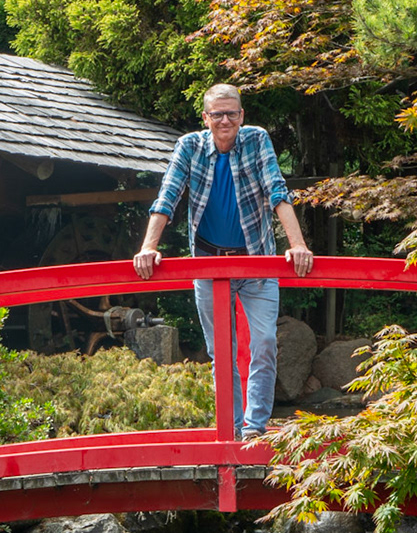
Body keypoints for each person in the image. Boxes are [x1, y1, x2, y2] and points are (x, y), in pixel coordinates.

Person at [133, 83, 313, 440]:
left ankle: (254, 428)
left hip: (256, 259)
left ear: (242, 115)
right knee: (221, 351)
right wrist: (148, 247)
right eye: (217, 114)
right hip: (209, 262)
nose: (225, 120)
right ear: (206, 118)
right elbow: (168, 194)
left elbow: (276, 190)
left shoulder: (256, 140)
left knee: (265, 343)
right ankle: (230, 429)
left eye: (231, 113)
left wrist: (297, 245)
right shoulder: (190, 146)